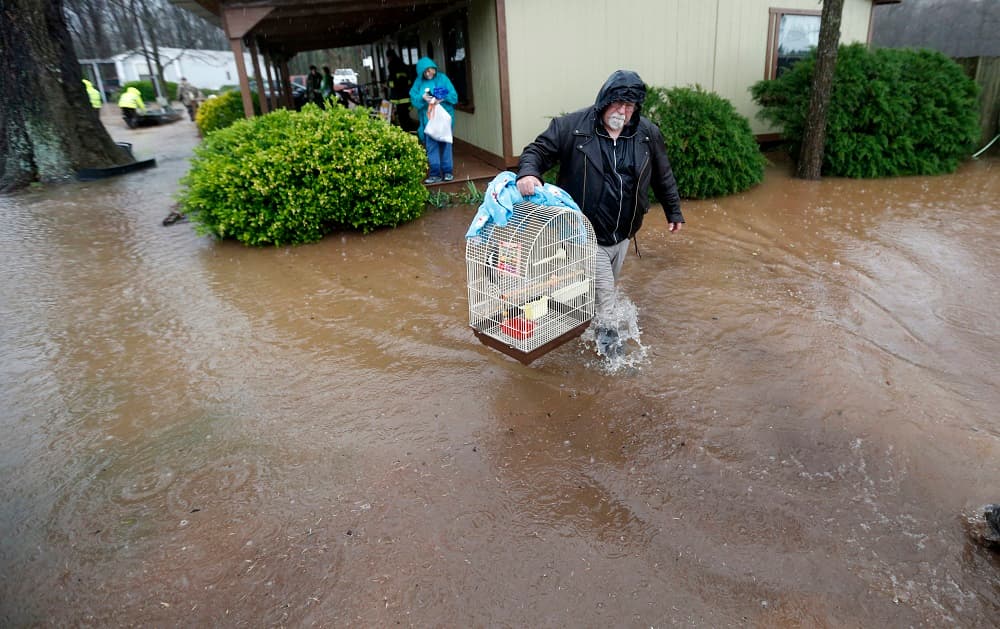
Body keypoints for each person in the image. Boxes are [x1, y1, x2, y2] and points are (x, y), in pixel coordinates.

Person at [515, 69, 684, 357]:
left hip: (622, 233)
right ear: (604, 100)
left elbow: (662, 173)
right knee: (606, 295)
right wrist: (529, 173)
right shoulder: (572, 127)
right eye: (617, 103)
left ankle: (581, 321)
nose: (622, 111)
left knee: (601, 288)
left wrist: (673, 211)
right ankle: (613, 360)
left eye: (629, 106)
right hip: (581, 232)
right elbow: (537, 151)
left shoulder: (646, 134)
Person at [409, 57, 458, 184]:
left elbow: (454, 96)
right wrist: (422, 98)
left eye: (431, 70)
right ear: (421, 73)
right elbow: (414, 98)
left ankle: (448, 172)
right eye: (426, 72)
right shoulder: (418, 82)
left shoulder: (442, 78)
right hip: (429, 121)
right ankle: (435, 173)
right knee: (432, 147)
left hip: (444, 120)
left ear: (434, 69)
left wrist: (442, 97)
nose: (429, 73)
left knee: (446, 145)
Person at [385, 48, 412, 130]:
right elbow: (409, 81)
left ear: (389, 57)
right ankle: (409, 129)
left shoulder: (392, 66)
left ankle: (405, 131)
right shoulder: (403, 65)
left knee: (401, 116)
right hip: (406, 96)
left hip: (399, 97)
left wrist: (387, 85)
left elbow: (393, 83)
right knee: (406, 115)